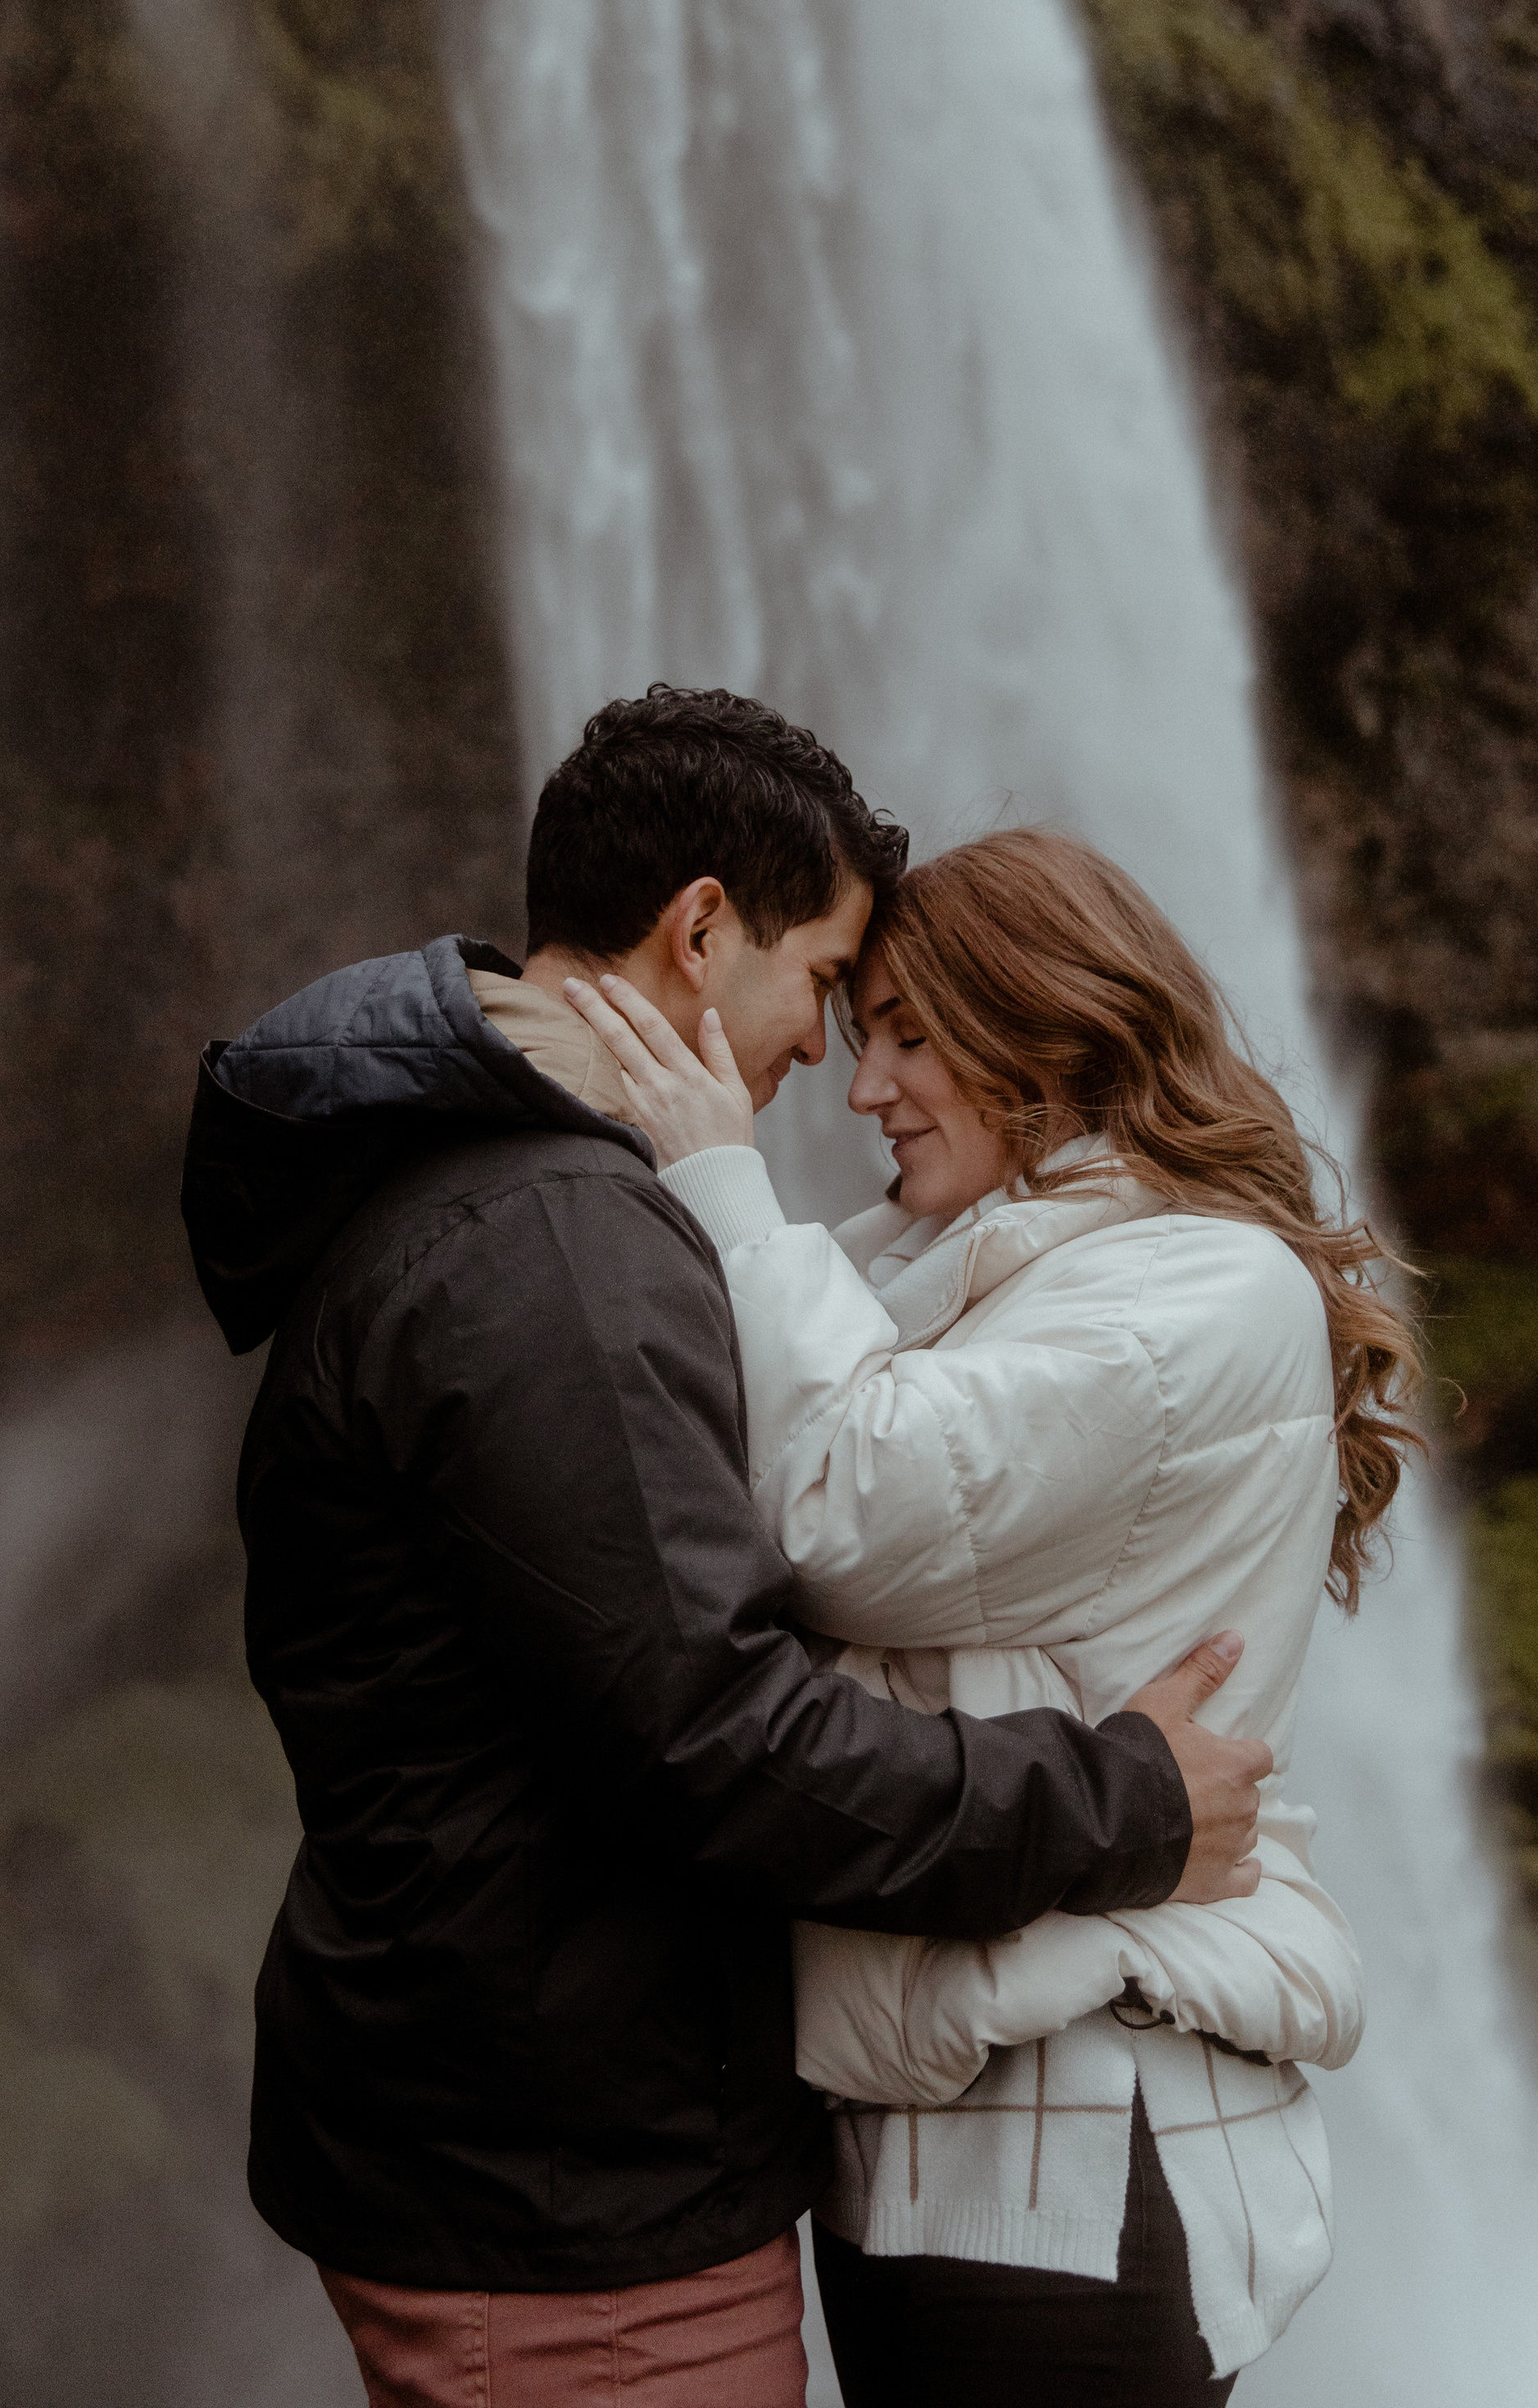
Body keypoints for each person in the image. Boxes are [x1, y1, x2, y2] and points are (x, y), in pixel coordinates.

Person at [181, 691, 1277, 2408]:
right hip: (565, 2189)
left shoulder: (486, 1197)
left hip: (531, 2134)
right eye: (830, 988)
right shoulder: (556, 1244)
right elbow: (715, 1734)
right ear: (701, 931)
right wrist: (1125, 1802)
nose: (831, 1070)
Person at [569, 823, 1422, 2408]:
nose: (862, 1086)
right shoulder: (961, 1263)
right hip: (940, 2125)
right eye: (856, 1024)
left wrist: (715, 1175)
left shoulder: (1201, 1286)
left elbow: (848, 1517)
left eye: (907, 1035)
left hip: (1082, 2138)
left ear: (1049, 1028)